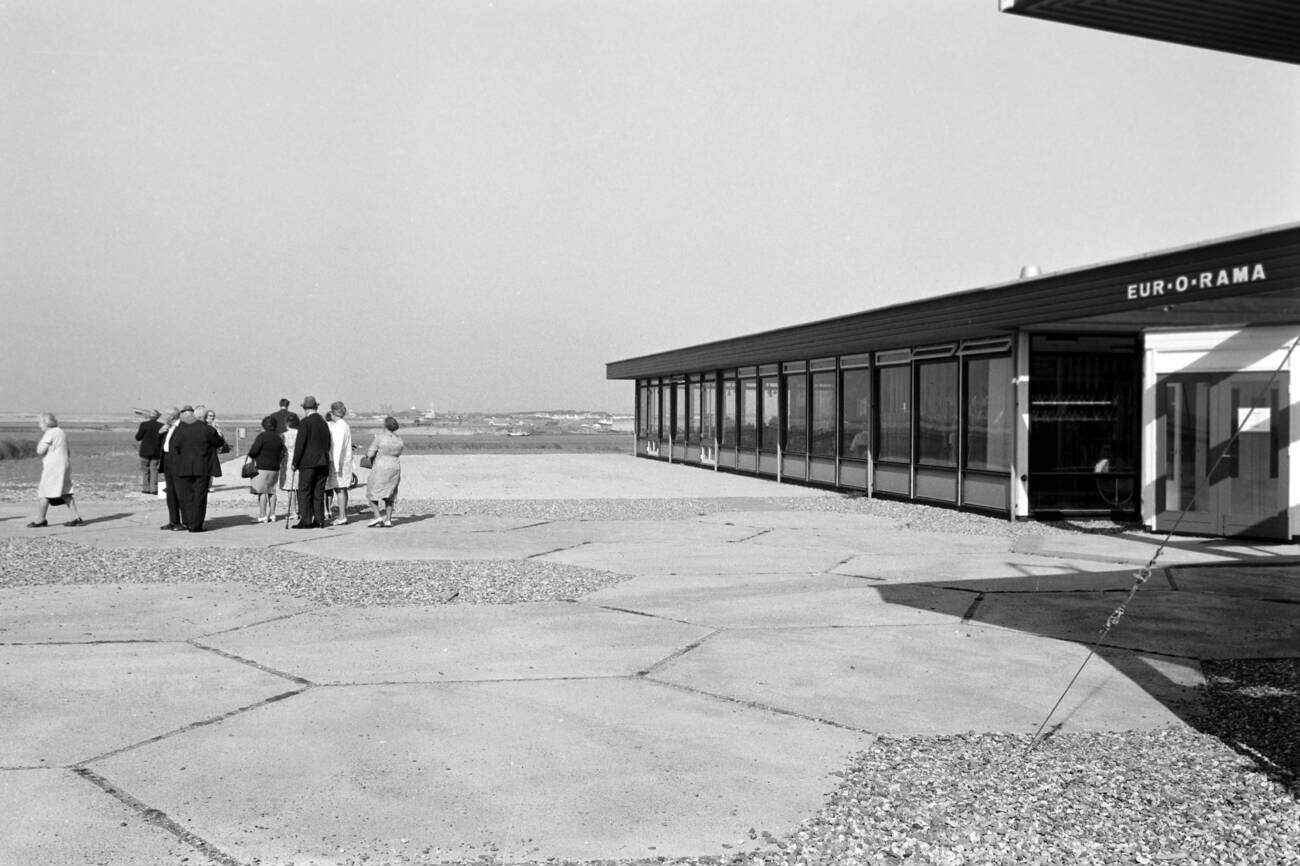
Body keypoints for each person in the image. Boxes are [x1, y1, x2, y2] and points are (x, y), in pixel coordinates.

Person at [168, 406, 225, 532]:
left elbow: (174, 445)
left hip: (183, 467)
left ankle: (187, 521)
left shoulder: (181, 430)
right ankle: (196, 525)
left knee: (186, 496)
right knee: (199, 497)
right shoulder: (208, 429)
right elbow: (219, 442)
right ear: (205, 417)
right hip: (202, 467)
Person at [28, 413, 84, 528]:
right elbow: (68, 451)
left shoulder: (50, 433)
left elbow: (40, 450)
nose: (39, 426)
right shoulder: (61, 432)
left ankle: (41, 519)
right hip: (64, 465)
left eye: (40, 423)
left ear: (46, 423)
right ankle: (76, 517)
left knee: (44, 492)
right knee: (66, 492)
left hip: (53, 467)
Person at [291, 396, 331, 529]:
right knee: (318, 492)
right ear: (316, 407)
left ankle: (306, 520)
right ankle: (319, 520)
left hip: (308, 463)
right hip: (323, 461)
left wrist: (294, 463)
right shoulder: (324, 422)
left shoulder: (305, 422)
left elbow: (300, 445)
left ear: (304, 408)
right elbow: (328, 443)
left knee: (305, 491)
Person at [364, 415, 403, 528]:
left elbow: (370, 454)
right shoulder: (399, 439)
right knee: (390, 494)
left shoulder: (380, 437)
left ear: (385, 425)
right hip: (395, 465)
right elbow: (399, 452)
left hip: (381, 466)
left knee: (372, 492)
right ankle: (388, 519)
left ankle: (377, 516)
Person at [246, 415, 285, 523]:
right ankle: (272, 514)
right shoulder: (279, 438)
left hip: (262, 467)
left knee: (262, 492)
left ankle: (262, 515)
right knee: (272, 491)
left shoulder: (262, 436)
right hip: (275, 468)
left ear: (264, 425)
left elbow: (253, 451)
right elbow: (282, 452)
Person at [325, 400, 354, 525]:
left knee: (340, 489)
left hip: (339, 462)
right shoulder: (345, 425)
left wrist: (335, 466)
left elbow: (337, 448)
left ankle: (342, 516)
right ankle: (343, 514)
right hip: (345, 461)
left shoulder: (338, 427)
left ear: (333, 413)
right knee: (343, 489)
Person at [159, 407, 185, 530]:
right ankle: (173, 521)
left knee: (180, 492)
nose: (164, 417)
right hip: (167, 460)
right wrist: (161, 433)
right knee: (171, 493)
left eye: (165, 415)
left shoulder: (182, 427)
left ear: (172, 416)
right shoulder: (168, 428)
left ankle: (184, 521)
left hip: (177, 462)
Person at [134, 409, 165, 494]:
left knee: (145, 470)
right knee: (154, 470)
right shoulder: (161, 425)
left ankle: (146, 489)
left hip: (145, 451)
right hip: (156, 451)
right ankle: (154, 489)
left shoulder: (144, 425)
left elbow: (138, 437)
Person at [278, 412, 299, 522]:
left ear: (287, 424)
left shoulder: (283, 435)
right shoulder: (300, 433)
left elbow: (280, 451)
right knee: (299, 487)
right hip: (299, 461)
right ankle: (299, 510)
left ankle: (293, 511)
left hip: (287, 461)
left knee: (290, 489)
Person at [199, 407, 229, 478]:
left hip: (212, 451)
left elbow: (220, 439)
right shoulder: (203, 426)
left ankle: (209, 485)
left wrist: (217, 430)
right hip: (204, 451)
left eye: (213, 416)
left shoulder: (215, 426)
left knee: (211, 470)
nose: (212, 418)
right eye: (210, 416)